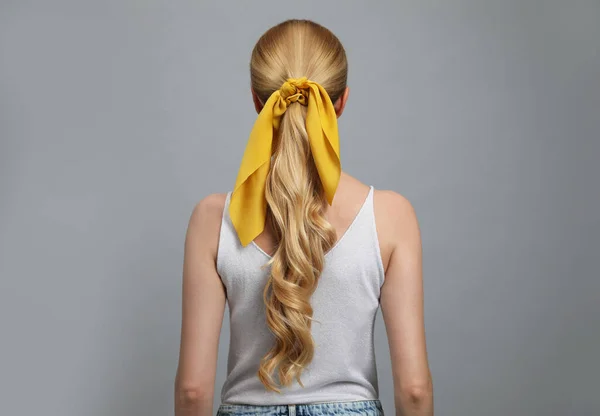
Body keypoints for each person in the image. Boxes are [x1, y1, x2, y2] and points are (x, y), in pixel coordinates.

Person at [174, 19, 433, 416]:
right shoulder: (390, 215)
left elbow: (193, 391)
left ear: (258, 103)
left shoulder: (212, 219)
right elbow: (414, 389)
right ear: (341, 102)